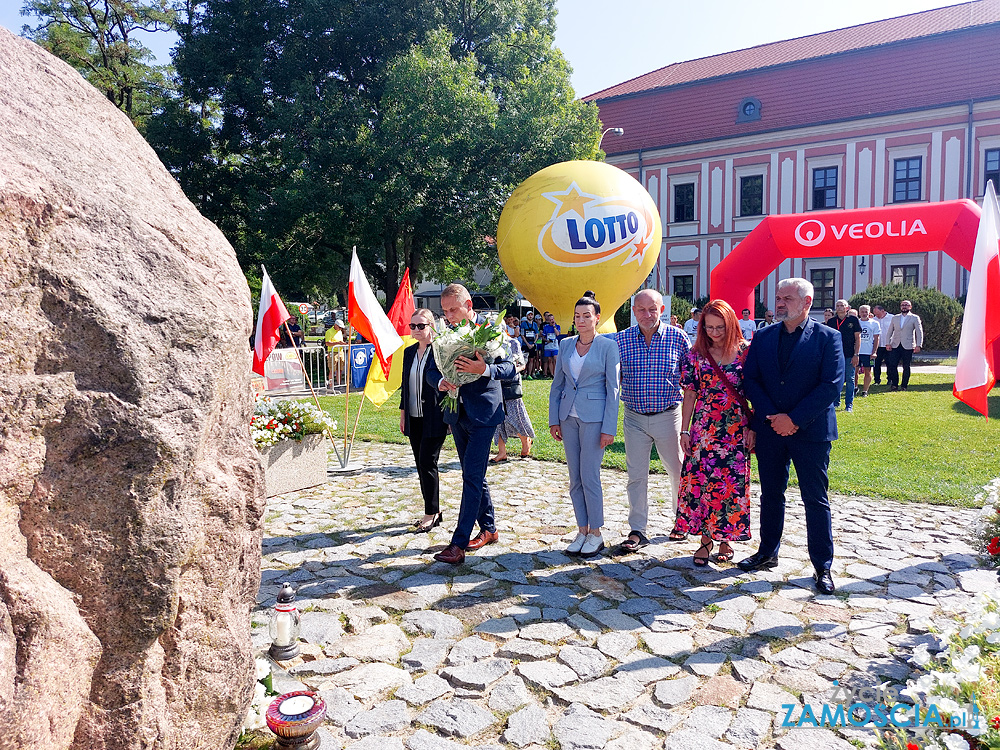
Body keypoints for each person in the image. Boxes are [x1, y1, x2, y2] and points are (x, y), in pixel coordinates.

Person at [740, 278, 843, 594]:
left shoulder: (829, 338)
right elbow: (751, 379)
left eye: (787, 298)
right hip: (771, 430)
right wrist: (773, 416)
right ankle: (767, 551)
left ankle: (822, 567)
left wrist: (794, 419)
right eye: (778, 297)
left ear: (807, 302)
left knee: (815, 498)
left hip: (811, 432)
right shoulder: (764, 336)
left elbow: (831, 385)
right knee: (771, 493)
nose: (780, 303)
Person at [426, 284, 516, 565]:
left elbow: (511, 368)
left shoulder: (490, 331)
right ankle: (489, 529)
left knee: (471, 478)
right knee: (472, 473)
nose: (449, 315)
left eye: (453, 309)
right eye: (444, 311)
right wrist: (440, 382)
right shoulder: (444, 335)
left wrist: (484, 369)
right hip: (457, 414)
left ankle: (458, 543)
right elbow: (431, 369)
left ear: (468, 306)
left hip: (484, 415)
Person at [675, 300, 754, 566]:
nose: (714, 332)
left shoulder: (746, 353)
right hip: (704, 429)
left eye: (720, 327)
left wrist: (753, 427)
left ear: (731, 323)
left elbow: (756, 393)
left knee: (731, 485)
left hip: (735, 429)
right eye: (709, 327)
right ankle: (705, 539)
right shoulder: (696, 354)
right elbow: (690, 394)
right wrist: (684, 430)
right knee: (703, 483)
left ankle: (725, 539)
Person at [614, 289, 691, 552]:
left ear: (662, 310)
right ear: (633, 311)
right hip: (634, 417)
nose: (647, 315)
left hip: (668, 415)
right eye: (641, 309)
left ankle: (682, 520)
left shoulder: (678, 338)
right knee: (636, 475)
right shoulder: (621, 340)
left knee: (677, 469)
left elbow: (691, 379)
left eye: (652, 309)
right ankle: (638, 529)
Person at [549, 295, 620, 558]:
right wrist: (554, 419)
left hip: (595, 419)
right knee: (574, 478)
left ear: (597, 318)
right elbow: (557, 385)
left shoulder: (607, 346)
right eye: (577, 316)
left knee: (590, 476)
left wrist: (609, 427)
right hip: (568, 418)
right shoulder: (565, 344)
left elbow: (612, 389)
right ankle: (581, 529)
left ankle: (596, 533)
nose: (581, 320)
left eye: (586, 316)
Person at [399, 309, 448, 532]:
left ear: (431, 326)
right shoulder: (409, 353)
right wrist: (403, 414)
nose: (416, 330)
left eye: (421, 326)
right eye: (413, 326)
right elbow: (404, 388)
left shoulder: (439, 351)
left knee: (428, 462)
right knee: (421, 464)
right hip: (413, 416)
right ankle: (433, 508)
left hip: (434, 417)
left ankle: (431, 513)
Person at [493, 337, 535, 462]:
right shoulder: (486, 342)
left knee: (515, 417)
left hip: (511, 383)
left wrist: (507, 371)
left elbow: (521, 364)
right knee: (497, 419)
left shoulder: (513, 343)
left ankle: (526, 441)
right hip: (494, 382)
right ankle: (502, 452)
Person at [826, 299, 862, 412]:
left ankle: (849, 404)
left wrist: (856, 354)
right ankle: (836, 402)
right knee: (836, 379)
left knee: (850, 379)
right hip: (835, 355)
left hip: (849, 354)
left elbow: (858, 338)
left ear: (847, 308)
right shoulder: (831, 321)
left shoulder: (853, 320)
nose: (840, 307)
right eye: (838, 305)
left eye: (842, 305)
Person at [886, 300, 924, 391]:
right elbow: (890, 331)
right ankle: (894, 384)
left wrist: (919, 345)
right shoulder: (895, 317)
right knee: (892, 365)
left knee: (906, 366)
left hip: (908, 345)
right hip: (895, 344)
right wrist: (888, 343)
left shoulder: (914, 318)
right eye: (902, 305)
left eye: (906, 305)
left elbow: (919, 332)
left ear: (910, 307)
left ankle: (904, 385)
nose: (904, 307)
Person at [856, 305, 880, 397]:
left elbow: (876, 339)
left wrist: (874, 352)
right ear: (859, 312)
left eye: (866, 311)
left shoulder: (874, 323)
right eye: (862, 312)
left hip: (868, 352)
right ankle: (855, 387)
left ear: (869, 312)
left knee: (868, 371)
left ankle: (865, 391)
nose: (864, 313)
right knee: (855, 371)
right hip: (857, 352)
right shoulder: (856, 322)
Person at [872, 304, 892, 385]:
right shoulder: (873, 320)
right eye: (875, 314)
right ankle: (877, 380)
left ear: (883, 311)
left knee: (890, 363)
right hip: (878, 345)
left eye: (878, 313)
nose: (877, 315)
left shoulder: (892, 318)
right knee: (876, 363)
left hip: (889, 345)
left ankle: (890, 379)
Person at [324, 319, 346, 387]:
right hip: (333, 352)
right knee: (332, 370)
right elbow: (327, 343)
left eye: (341, 328)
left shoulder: (340, 332)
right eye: (339, 327)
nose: (340, 329)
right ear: (335, 325)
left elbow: (341, 340)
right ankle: (331, 385)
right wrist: (338, 343)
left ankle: (338, 384)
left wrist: (343, 344)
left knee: (340, 369)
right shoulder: (329, 332)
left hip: (340, 351)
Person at [520, 310, 540, 378]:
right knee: (525, 359)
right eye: (529, 315)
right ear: (527, 316)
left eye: (531, 315)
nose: (530, 316)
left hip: (532, 344)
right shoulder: (523, 324)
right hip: (525, 344)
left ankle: (530, 373)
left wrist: (534, 343)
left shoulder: (534, 324)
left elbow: (537, 334)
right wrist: (527, 344)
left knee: (532, 359)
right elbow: (522, 335)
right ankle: (524, 373)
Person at [542, 312, 561, 378]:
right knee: (549, 360)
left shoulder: (557, 326)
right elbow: (543, 337)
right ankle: (552, 374)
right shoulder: (546, 327)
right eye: (550, 320)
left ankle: (556, 373)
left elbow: (558, 334)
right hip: (548, 345)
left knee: (555, 359)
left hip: (555, 345)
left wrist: (554, 326)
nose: (551, 321)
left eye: (552, 319)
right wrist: (546, 340)